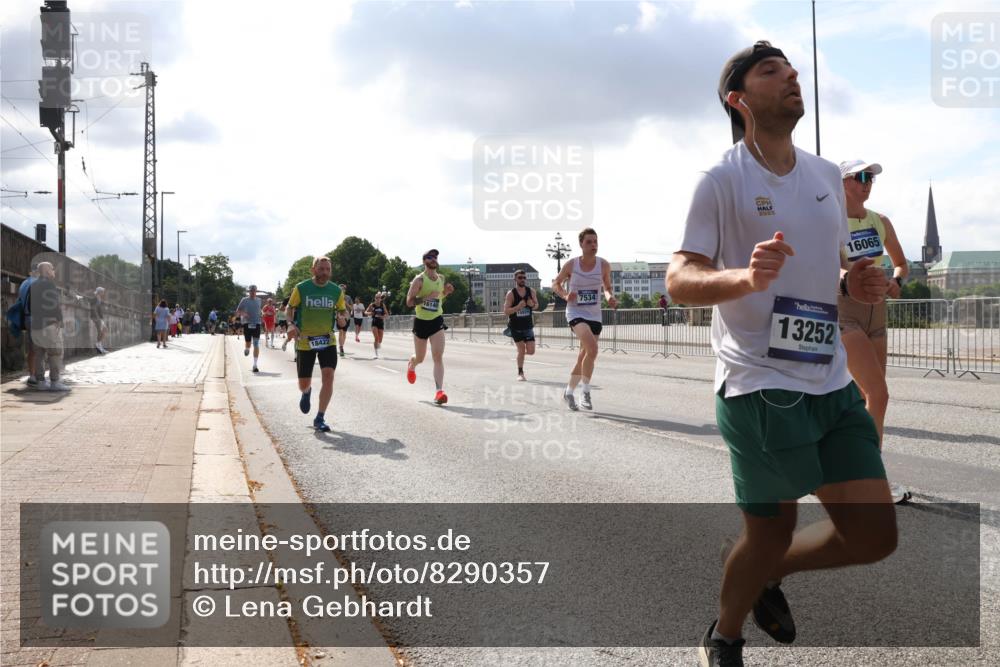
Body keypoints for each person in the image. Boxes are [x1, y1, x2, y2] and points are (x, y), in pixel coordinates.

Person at [666, 41, 897, 667]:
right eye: (772, 70)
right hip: (759, 384)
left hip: (830, 381)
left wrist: (855, 282)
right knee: (771, 532)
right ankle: (726, 634)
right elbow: (680, 277)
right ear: (738, 100)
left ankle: (761, 568)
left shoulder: (825, 175)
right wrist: (742, 278)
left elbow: (840, 266)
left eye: (791, 68)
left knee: (875, 536)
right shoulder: (720, 179)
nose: (792, 75)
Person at [838, 159, 911, 504]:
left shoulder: (880, 221)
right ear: (842, 183)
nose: (868, 183)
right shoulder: (831, 221)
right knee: (877, 394)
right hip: (845, 312)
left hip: (877, 314)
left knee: (869, 399)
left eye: (871, 178)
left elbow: (901, 262)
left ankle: (853, 472)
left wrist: (896, 281)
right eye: (861, 177)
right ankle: (869, 481)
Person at [551, 228, 617, 411]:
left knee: (584, 356)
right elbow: (555, 283)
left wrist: (609, 297)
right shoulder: (572, 265)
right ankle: (585, 392)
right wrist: (565, 295)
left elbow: (607, 287)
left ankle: (568, 392)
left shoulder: (603, 265)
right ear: (581, 244)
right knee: (593, 348)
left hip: (595, 314)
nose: (593, 245)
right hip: (575, 313)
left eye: (595, 241)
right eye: (589, 242)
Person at [285, 256, 347, 432]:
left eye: (328, 269)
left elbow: (342, 310)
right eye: (321, 269)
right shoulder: (302, 288)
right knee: (303, 383)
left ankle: (320, 417)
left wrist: (342, 318)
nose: (325, 272)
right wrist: (290, 324)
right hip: (305, 341)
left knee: (329, 376)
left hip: (327, 340)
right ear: (313, 270)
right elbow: (290, 308)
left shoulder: (335, 291)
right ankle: (306, 391)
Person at [406, 249, 454, 405]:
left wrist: (445, 292)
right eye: (430, 257)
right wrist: (425, 297)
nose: (434, 259)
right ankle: (412, 365)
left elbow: (438, 298)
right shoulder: (419, 280)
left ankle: (439, 392)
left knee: (437, 356)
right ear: (424, 261)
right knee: (420, 358)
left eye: (435, 257)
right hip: (421, 322)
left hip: (436, 321)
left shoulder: (441, 278)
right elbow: (409, 302)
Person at [27, 261, 68, 391]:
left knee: (39, 354)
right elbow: (54, 304)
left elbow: (28, 306)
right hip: (49, 324)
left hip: (36, 325)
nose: (54, 272)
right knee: (55, 353)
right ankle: (55, 382)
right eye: (52, 269)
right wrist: (60, 319)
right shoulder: (49, 284)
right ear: (47, 271)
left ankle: (41, 382)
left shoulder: (32, 285)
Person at [503, 269, 538, 381]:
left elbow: (536, 305)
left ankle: (520, 355)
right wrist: (518, 307)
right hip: (516, 327)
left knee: (531, 351)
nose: (522, 279)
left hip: (528, 326)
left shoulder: (531, 291)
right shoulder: (511, 294)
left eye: (524, 277)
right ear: (515, 279)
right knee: (522, 350)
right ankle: (520, 373)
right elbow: (506, 311)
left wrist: (531, 304)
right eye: (520, 278)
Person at [236, 285, 264, 373]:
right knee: (248, 343)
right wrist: (243, 314)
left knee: (256, 344)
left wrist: (262, 314)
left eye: (254, 291)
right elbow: (238, 311)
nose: (252, 292)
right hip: (247, 323)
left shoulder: (259, 300)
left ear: (256, 291)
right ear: (249, 292)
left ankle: (255, 365)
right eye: (251, 291)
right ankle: (247, 349)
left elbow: (260, 310)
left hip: (257, 323)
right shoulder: (244, 300)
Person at [364, 292, 390, 359]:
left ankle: (378, 345)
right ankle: (376, 354)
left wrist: (383, 316)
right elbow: (365, 312)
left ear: (381, 299)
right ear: (375, 298)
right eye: (376, 298)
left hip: (380, 322)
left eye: (379, 298)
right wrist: (371, 313)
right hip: (374, 322)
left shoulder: (382, 305)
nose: (378, 299)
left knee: (380, 340)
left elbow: (387, 314)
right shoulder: (372, 305)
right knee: (376, 338)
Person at [89, 287, 109, 354]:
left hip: (99, 317)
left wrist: (101, 318)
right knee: (100, 330)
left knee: (105, 330)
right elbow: (93, 308)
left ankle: (98, 344)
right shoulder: (94, 298)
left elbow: (99, 309)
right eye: (102, 291)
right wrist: (97, 317)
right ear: (99, 292)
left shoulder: (99, 298)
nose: (103, 293)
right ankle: (99, 346)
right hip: (95, 317)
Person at [336, 284, 351, 357]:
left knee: (344, 333)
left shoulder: (348, 297)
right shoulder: (336, 297)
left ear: (345, 290)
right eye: (340, 289)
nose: (342, 290)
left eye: (343, 289)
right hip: (339, 316)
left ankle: (342, 345)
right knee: (340, 332)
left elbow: (352, 307)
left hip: (347, 317)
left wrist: (346, 303)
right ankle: (341, 347)